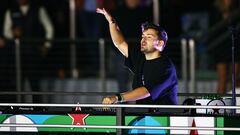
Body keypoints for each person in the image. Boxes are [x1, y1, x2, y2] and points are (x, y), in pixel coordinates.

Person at [97, 8, 178, 105]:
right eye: (143, 36)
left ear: (160, 43)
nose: (143, 40)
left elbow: (146, 91)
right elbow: (120, 43)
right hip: (144, 115)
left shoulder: (166, 67)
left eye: (149, 37)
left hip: (162, 118)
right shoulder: (141, 58)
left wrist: (117, 98)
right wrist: (111, 22)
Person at [3, 0, 54, 102]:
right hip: (17, 54)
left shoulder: (38, 9)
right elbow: (6, 32)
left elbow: (49, 28)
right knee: (17, 83)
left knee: (34, 83)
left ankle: (38, 109)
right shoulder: (11, 11)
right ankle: (18, 108)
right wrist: (13, 33)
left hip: (33, 53)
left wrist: (47, 45)